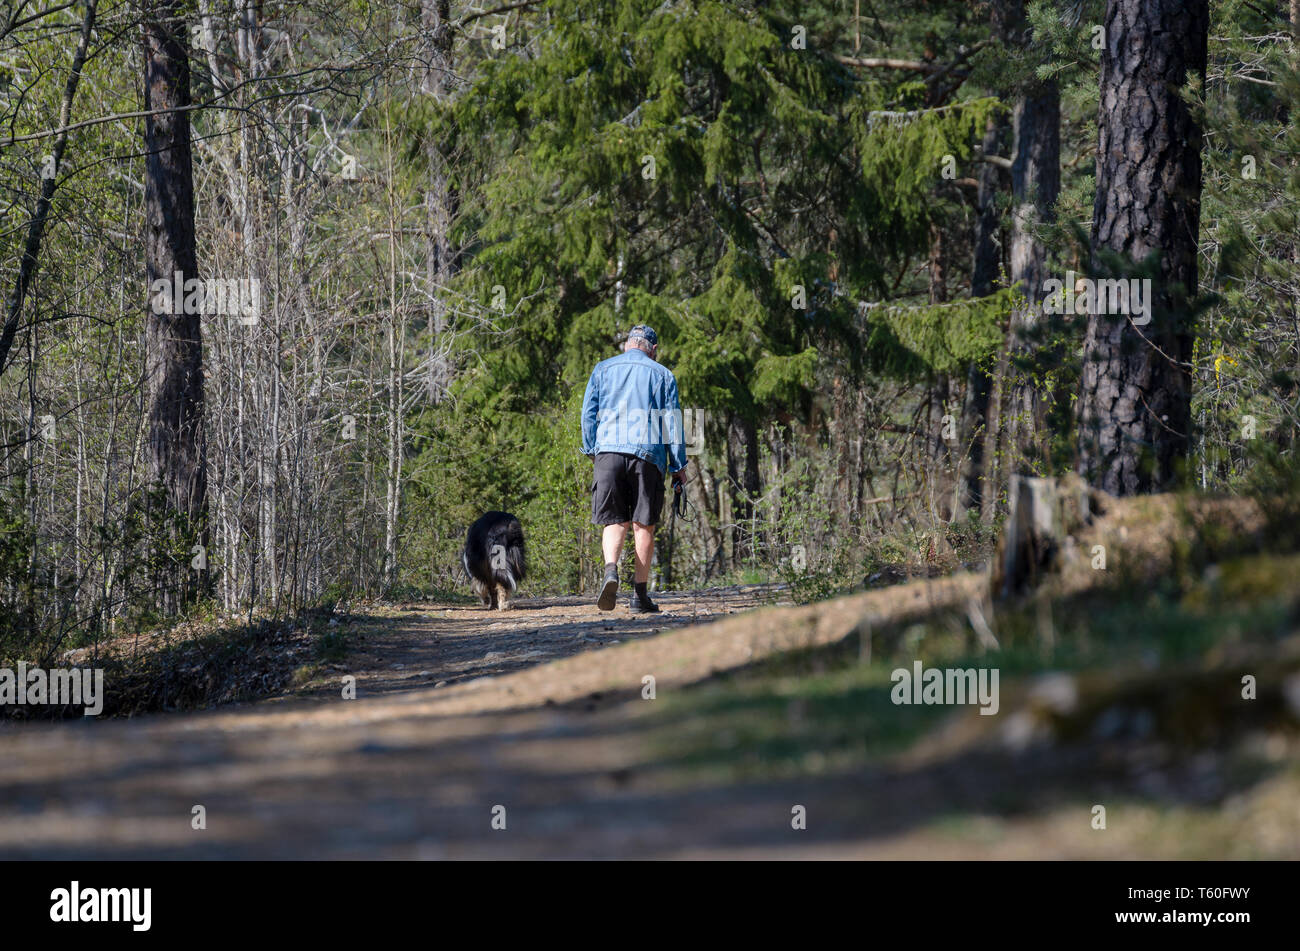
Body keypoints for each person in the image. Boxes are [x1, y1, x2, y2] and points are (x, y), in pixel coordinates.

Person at [580, 324, 688, 613]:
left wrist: (592, 449)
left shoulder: (603, 369)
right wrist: (678, 466)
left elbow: (588, 413)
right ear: (653, 350)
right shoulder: (663, 374)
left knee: (614, 520)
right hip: (647, 455)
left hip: (609, 452)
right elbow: (672, 424)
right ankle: (639, 596)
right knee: (643, 524)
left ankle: (610, 570)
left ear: (627, 345)